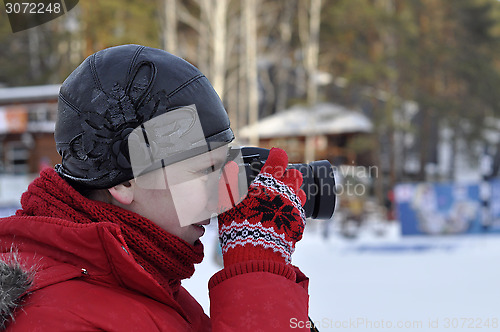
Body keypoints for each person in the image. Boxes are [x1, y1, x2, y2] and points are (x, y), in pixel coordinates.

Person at [0, 44, 311, 331]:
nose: (222, 191)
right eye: (206, 170)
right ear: (125, 181)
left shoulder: (143, 279)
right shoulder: (53, 318)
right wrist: (257, 271)